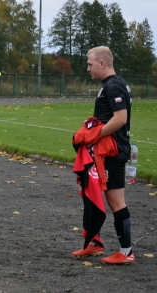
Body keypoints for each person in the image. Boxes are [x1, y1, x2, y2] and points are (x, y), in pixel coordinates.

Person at [71, 46, 134, 264]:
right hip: (106, 151)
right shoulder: (111, 84)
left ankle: (126, 252)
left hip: (113, 152)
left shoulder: (114, 85)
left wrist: (93, 134)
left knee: (116, 201)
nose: (87, 68)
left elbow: (120, 118)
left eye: (89, 64)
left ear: (101, 63)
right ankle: (94, 243)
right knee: (93, 193)